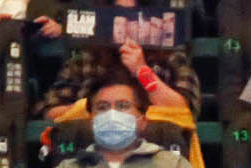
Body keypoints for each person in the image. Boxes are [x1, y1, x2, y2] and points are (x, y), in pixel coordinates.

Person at [4, 69, 216, 168]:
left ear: (143, 121)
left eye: (123, 106)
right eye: (102, 108)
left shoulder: (171, 165)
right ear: (91, 119)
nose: (112, 114)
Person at [35, 4, 201, 122]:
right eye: (118, 14)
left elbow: (185, 112)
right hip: (90, 148)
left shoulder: (169, 52)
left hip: (156, 148)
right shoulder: (86, 56)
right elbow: (50, 110)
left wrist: (142, 71)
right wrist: (98, 111)